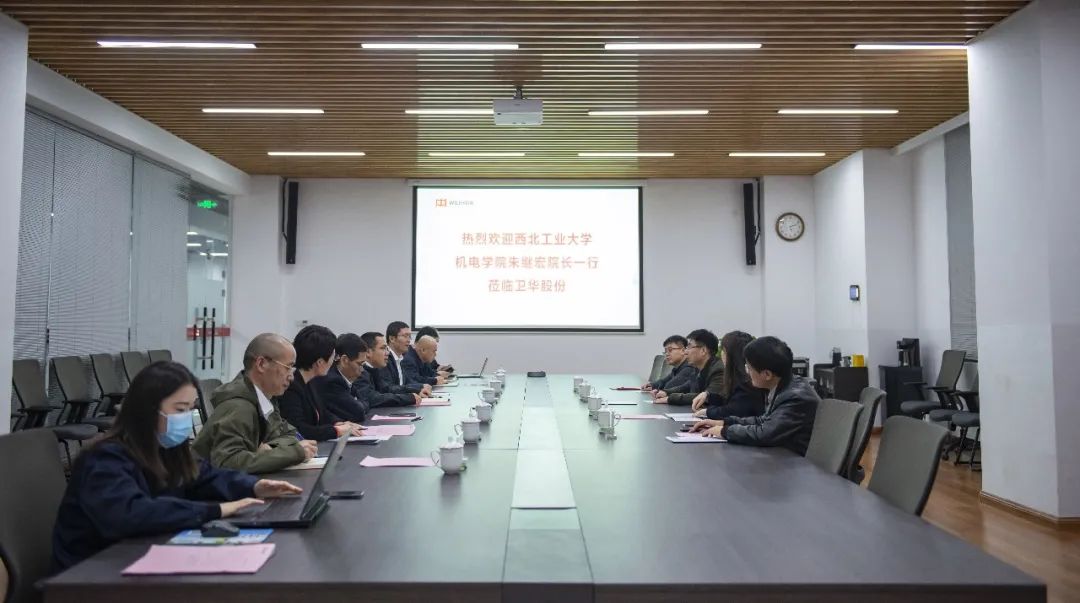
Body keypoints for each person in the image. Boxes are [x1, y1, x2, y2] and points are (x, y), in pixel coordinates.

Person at [52, 361, 302, 572]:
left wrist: (254, 486)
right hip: (91, 574)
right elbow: (131, 514)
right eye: (180, 410)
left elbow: (204, 476)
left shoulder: (166, 449)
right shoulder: (105, 458)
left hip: (140, 558)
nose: (185, 418)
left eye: (190, 410)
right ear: (148, 410)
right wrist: (216, 510)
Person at [193, 333, 318, 473]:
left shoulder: (263, 399)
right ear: (261, 364)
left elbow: (290, 434)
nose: (291, 377)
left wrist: (269, 449)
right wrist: (294, 453)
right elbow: (228, 463)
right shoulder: (239, 407)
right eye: (287, 367)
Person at [691, 336, 819, 455]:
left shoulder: (795, 397)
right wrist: (724, 422)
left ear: (767, 374)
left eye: (749, 368)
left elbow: (765, 433)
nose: (747, 372)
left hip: (796, 463)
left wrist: (724, 431)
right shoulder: (784, 386)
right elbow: (763, 420)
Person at [277, 325, 363, 442]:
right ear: (320, 362)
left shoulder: (311, 381)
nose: (333, 361)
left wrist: (339, 423)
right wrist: (336, 431)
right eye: (333, 357)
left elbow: (321, 412)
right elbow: (299, 429)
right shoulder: (290, 386)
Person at [691, 331, 766, 420]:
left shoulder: (748, 381)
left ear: (731, 355)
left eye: (723, 350)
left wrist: (708, 412)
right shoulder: (739, 377)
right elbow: (728, 400)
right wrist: (708, 396)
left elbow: (733, 410)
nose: (721, 354)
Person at [654, 329, 724, 406]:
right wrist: (666, 392)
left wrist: (670, 398)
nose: (686, 352)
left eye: (689, 347)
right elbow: (685, 387)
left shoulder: (719, 370)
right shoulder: (697, 368)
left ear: (703, 350)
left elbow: (707, 397)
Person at [314, 333, 373, 423]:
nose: (362, 370)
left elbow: (365, 401)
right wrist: (359, 404)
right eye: (359, 364)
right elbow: (358, 412)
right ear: (345, 360)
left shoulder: (344, 378)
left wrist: (360, 404)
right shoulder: (332, 381)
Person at [355, 331, 422, 408]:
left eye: (387, 349)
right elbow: (372, 398)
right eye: (383, 348)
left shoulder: (375, 370)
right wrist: (407, 398)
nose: (387, 353)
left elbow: (387, 389)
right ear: (368, 352)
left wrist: (416, 390)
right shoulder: (359, 372)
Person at [384, 320, 431, 396]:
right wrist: (417, 389)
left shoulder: (400, 358)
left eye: (409, 336)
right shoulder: (384, 359)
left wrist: (421, 386)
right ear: (392, 338)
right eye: (405, 336)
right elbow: (389, 388)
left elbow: (406, 382)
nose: (409, 340)